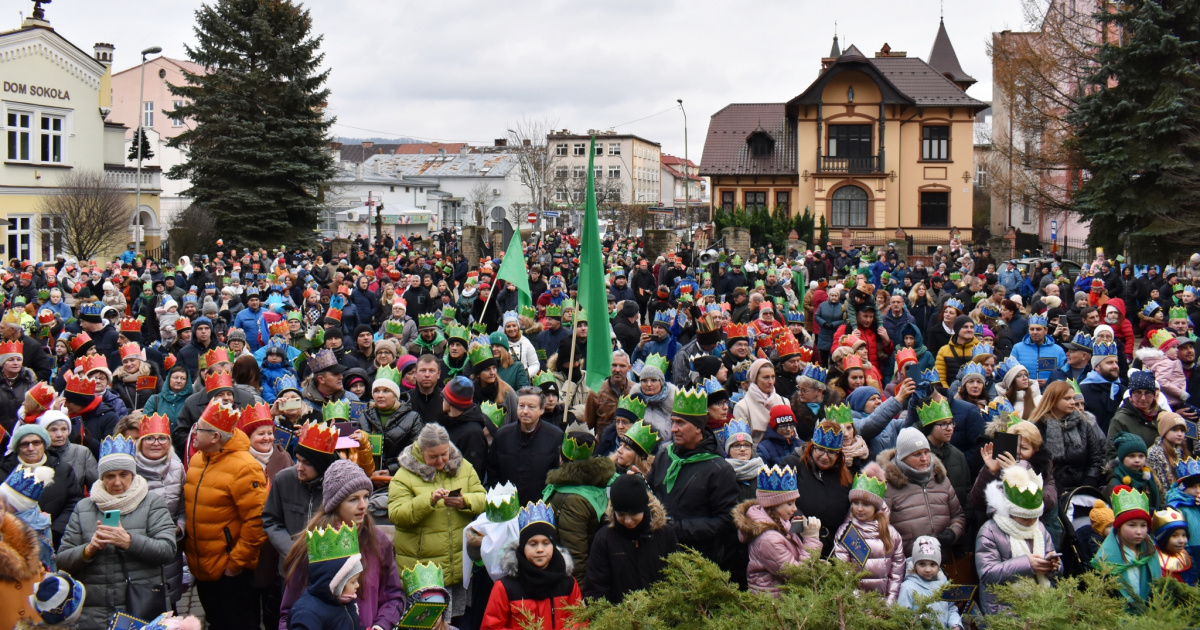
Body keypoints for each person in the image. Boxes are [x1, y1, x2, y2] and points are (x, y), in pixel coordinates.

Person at [56, 436, 177, 627]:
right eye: (110, 476)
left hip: (139, 607)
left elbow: (167, 549)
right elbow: (62, 559)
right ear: (102, 477)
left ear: (133, 475)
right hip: (94, 613)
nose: (117, 482)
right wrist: (88, 550)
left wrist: (129, 541)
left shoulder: (151, 503)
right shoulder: (84, 508)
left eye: (124, 474)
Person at [279, 459, 405, 630]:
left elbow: (393, 596)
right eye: (353, 499)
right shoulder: (315, 543)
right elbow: (288, 614)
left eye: (366, 496)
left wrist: (381, 625)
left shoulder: (378, 541)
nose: (363, 505)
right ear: (336, 503)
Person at [182, 400, 269, 630]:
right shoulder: (199, 459)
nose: (193, 433)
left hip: (230, 573)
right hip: (203, 568)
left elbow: (257, 521)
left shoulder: (245, 467)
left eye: (198, 429)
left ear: (214, 438)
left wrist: (235, 563)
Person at [389, 423, 486, 619]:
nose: (441, 460)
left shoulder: (463, 467)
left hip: (458, 564)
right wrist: (428, 500)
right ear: (420, 451)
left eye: (444, 454)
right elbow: (397, 514)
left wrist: (465, 501)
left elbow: (483, 498)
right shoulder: (404, 476)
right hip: (424, 570)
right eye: (433, 457)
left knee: (458, 619)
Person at [646, 388, 740, 577]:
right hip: (660, 555)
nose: (673, 429)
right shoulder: (664, 456)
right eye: (673, 422)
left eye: (680, 423)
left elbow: (727, 520)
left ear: (698, 427)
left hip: (698, 562)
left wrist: (678, 528)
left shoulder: (718, 469)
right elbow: (652, 494)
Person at [480, 501, 583, 630]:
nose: (540, 549)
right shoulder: (505, 588)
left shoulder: (568, 584)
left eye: (546, 543)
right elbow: (491, 627)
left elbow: (580, 621)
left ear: (554, 546)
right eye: (533, 544)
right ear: (523, 547)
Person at [975, 464, 1061, 615]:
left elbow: (1052, 560)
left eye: (1034, 517)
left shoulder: (1039, 528)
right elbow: (987, 573)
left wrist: (1054, 567)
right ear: (1010, 511)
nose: (1031, 522)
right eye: (1025, 518)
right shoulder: (990, 530)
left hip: (1039, 607)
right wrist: (1027, 564)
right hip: (1003, 608)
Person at [583, 474, 677, 604]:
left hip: (660, 617)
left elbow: (676, 578)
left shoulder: (664, 534)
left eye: (633, 514)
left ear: (644, 508)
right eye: (620, 514)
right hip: (619, 618)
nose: (627, 521)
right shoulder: (604, 538)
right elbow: (596, 588)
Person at [263, 419, 339, 571]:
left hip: (329, 567)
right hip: (291, 568)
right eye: (298, 460)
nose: (299, 467)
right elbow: (271, 520)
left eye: (307, 463)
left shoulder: (339, 485)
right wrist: (291, 550)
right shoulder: (284, 479)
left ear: (321, 466)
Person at [733, 464, 822, 594]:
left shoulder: (782, 524)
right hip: (774, 602)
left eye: (795, 503)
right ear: (773, 505)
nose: (795, 509)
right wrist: (811, 539)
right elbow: (797, 575)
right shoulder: (768, 539)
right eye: (789, 504)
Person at [879, 427, 966, 556]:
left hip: (942, 563)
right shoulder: (887, 486)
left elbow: (958, 516)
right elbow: (880, 529)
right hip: (906, 566)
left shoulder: (941, 479)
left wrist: (954, 532)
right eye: (917, 454)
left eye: (926, 452)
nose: (924, 458)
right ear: (903, 457)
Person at [543, 432, 615, 587]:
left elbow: (575, 556)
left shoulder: (571, 500)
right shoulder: (597, 483)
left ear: (562, 460)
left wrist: (577, 597)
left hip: (570, 584)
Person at [832, 463, 905, 604]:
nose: (859, 509)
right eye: (855, 503)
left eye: (866, 505)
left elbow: (897, 573)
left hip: (883, 605)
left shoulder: (891, 534)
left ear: (876, 507)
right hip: (856, 606)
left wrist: (889, 603)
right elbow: (843, 572)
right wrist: (859, 605)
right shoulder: (846, 532)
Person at [0, 421, 81, 546]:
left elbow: (74, 501)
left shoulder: (63, 469)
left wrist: (54, 531)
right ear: (17, 447)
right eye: (24, 444)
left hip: (57, 539)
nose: (31, 448)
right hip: (12, 540)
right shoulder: (3, 471)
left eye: (36, 443)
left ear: (44, 444)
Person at [781, 420, 854, 557]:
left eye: (831, 452)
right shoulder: (793, 465)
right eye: (820, 449)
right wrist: (801, 524)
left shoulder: (846, 477)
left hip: (833, 551)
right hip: (798, 545)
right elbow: (780, 502)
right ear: (812, 447)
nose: (825, 457)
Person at [488, 386, 564, 505]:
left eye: (531, 407)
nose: (525, 411)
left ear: (542, 410)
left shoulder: (555, 436)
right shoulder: (502, 435)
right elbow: (492, 470)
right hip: (507, 506)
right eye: (521, 406)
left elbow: (558, 475)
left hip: (540, 507)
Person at [1028, 380, 1107, 494]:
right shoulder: (1037, 426)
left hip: (1083, 487)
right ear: (1053, 400)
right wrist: (1056, 489)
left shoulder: (1083, 424)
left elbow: (1096, 459)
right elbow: (1035, 462)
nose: (1072, 402)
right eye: (1067, 398)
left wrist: (1087, 485)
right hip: (1049, 489)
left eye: (1072, 398)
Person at [285, 522, 365, 630]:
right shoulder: (307, 614)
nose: (357, 585)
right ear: (337, 582)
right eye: (353, 581)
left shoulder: (345, 602)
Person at [1092, 485, 1162, 607]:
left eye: (1143, 525)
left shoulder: (1150, 551)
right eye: (1132, 525)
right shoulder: (1106, 557)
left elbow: (1158, 586)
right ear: (1119, 527)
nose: (1139, 531)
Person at [358, 365, 423, 474]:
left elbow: (416, 452)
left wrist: (391, 470)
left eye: (386, 391)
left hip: (400, 475)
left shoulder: (412, 418)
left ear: (395, 395)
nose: (380, 395)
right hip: (369, 476)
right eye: (376, 391)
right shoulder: (364, 417)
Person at [897, 536, 964, 629]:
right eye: (922, 564)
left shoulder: (944, 585)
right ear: (915, 564)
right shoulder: (908, 587)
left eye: (933, 564)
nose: (928, 570)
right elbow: (902, 617)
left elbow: (951, 609)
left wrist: (955, 624)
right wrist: (919, 621)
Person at [1107, 371, 1166, 460]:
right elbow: (1112, 453)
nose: (1143, 398)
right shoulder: (1120, 420)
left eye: (1147, 393)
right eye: (1138, 392)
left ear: (1154, 395)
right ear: (1131, 394)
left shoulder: (1163, 416)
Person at [733, 358, 786, 445]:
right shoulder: (742, 407)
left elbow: (793, 435)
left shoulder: (784, 401)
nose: (771, 382)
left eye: (773, 377)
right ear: (755, 379)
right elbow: (743, 442)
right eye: (766, 377)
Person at [1105, 433, 1161, 511]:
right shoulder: (1116, 481)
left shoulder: (1148, 478)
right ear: (1122, 458)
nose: (1137, 460)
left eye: (1141, 456)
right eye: (1131, 456)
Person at [632, 355, 676, 436]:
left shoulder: (674, 403)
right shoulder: (633, 404)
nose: (649, 384)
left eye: (653, 380)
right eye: (644, 380)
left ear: (661, 382)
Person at [1152, 507, 1196, 585]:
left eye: (1184, 535)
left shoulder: (1188, 556)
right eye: (1174, 536)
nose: (1181, 541)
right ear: (1163, 537)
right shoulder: (1153, 559)